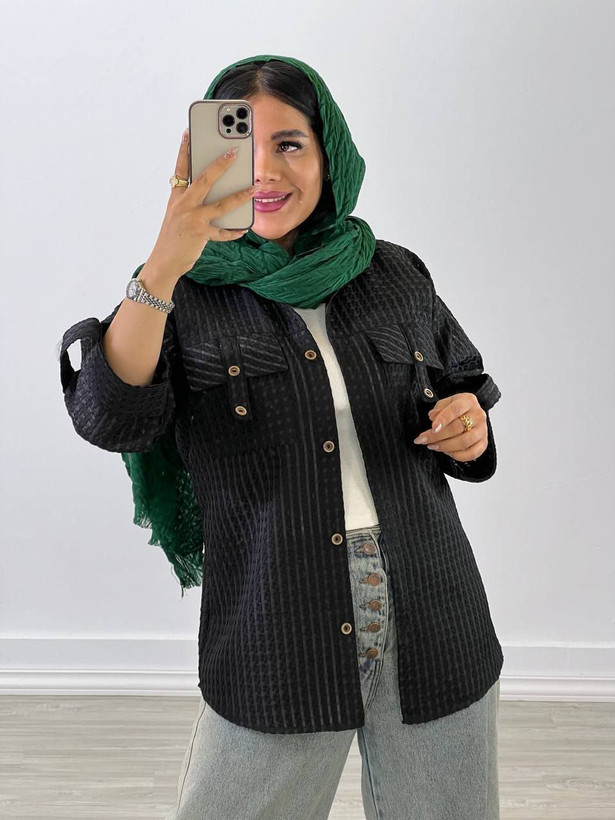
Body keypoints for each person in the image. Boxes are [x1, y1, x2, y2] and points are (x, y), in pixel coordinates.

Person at [58, 54, 503, 819]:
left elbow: (462, 387)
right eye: (239, 146)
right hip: (276, 620)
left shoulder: (395, 274)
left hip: (435, 609)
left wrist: (469, 426)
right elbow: (112, 417)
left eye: (290, 144)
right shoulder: (179, 293)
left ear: (330, 153)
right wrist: (164, 263)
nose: (265, 170)